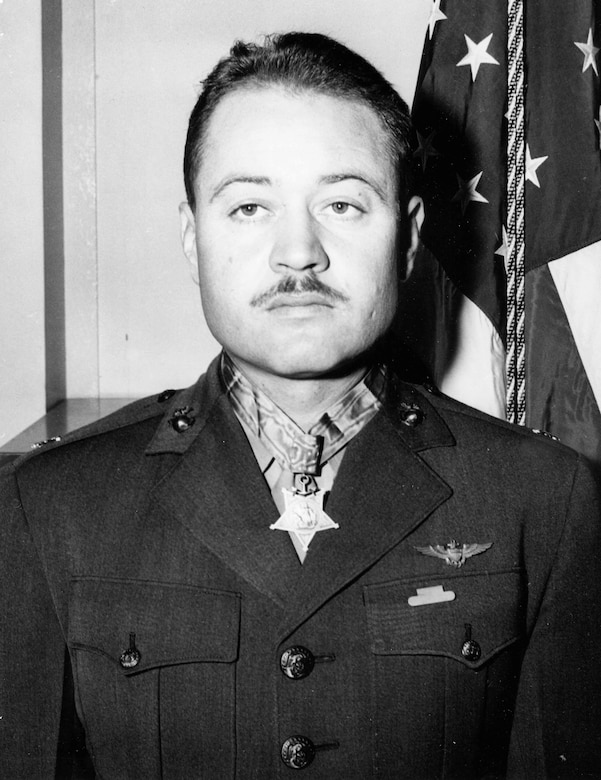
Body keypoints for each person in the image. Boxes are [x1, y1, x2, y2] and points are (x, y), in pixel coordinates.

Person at [1, 31, 600, 780]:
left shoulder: (541, 498)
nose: (298, 251)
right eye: (249, 206)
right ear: (192, 239)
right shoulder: (51, 504)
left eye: (343, 204)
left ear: (409, 239)